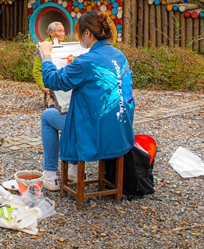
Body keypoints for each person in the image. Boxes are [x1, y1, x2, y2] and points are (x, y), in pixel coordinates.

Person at [38, 11, 135, 192]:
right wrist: (74, 67)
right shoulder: (118, 55)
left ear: (87, 34)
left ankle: (50, 175)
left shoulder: (86, 61)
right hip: (121, 129)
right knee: (80, 112)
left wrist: (46, 55)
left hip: (94, 131)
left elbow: (52, 80)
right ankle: (75, 171)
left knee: (47, 116)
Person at [32, 21, 66, 108]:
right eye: (60, 31)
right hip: (50, 78)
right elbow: (37, 69)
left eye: (63, 31)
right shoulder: (44, 46)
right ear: (51, 33)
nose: (62, 34)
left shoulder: (62, 45)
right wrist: (42, 86)